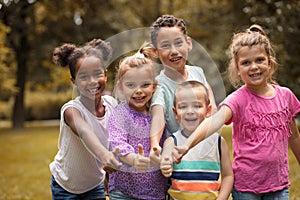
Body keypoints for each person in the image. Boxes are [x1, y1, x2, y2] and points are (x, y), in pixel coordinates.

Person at [172, 24, 300, 199]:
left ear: (270, 63)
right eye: (246, 63)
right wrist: (187, 145)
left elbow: (294, 136)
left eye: (260, 60)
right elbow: (213, 121)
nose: (253, 67)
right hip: (246, 188)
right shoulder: (238, 99)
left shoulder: (285, 96)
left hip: (278, 185)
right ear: (238, 70)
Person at [49, 38, 122, 200]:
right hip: (65, 186)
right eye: (83, 76)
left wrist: (109, 172)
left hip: (94, 184)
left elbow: (112, 139)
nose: (92, 81)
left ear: (105, 75)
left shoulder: (111, 105)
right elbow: (84, 132)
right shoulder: (72, 110)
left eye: (97, 74)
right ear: (74, 81)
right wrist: (104, 155)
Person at [148, 14, 217, 165]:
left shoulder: (198, 72)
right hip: (182, 160)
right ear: (155, 52)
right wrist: (154, 145)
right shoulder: (160, 85)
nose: (173, 51)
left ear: (188, 43)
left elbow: (213, 111)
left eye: (178, 43)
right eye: (165, 46)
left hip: (208, 156)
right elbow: (158, 116)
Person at [108, 44, 168, 200]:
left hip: (155, 190)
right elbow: (116, 142)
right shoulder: (121, 113)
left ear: (154, 86)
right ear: (120, 87)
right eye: (131, 85)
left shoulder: (158, 114)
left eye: (145, 85)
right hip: (124, 191)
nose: (139, 91)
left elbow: (167, 141)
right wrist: (134, 159)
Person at [160, 80, 233, 200]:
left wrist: (222, 198)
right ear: (175, 112)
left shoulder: (219, 142)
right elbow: (165, 162)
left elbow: (228, 175)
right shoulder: (172, 141)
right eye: (183, 107)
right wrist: (165, 166)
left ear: (208, 110)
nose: (190, 111)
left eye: (197, 106)